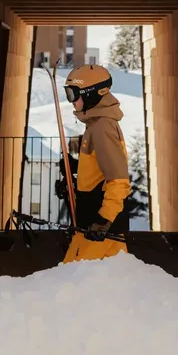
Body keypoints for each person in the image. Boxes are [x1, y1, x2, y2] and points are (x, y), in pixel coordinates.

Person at [60, 64, 131, 263]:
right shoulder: (96, 124)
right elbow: (98, 167)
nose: (71, 101)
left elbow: (118, 180)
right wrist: (73, 170)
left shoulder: (102, 128)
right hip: (90, 226)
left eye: (73, 94)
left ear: (90, 94)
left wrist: (104, 221)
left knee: (80, 287)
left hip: (100, 233)